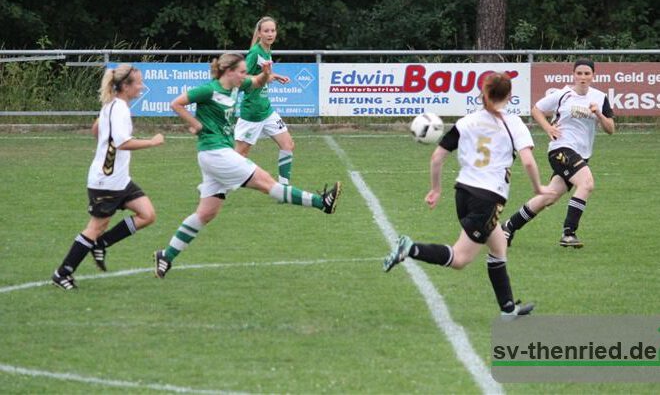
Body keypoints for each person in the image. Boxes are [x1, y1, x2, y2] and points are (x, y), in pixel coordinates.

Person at [153, 53, 341, 278]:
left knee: (206, 213)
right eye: (241, 71)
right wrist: (197, 125)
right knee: (268, 184)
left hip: (215, 154)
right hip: (216, 153)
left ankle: (166, 255)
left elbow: (258, 81)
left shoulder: (236, 87)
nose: (244, 75)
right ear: (228, 71)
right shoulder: (209, 89)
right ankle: (322, 202)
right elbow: (177, 103)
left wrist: (266, 73)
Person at [383, 73, 554, 317]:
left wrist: (436, 189)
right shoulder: (514, 123)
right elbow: (527, 162)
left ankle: (508, 309)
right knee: (461, 259)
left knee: (499, 246)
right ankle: (410, 249)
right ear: (509, 96)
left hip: (462, 193)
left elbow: (437, 157)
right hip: (487, 198)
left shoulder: (467, 121)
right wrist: (538, 188)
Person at [51, 64, 164, 290]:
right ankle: (62, 272)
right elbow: (123, 142)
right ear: (125, 86)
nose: (142, 86)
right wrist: (152, 142)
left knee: (147, 214)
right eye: (138, 82)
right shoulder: (119, 109)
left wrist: (106, 146)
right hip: (106, 181)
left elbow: (96, 130)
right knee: (95, 227)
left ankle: (101, 244)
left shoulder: (112, 105)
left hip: (119, 179)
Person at [501, 59, 615, 248]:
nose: (583, 77)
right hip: (561, 149)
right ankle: (569, 233)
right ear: (573, 75)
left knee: (550, 196)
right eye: (579, 73)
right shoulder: (563, 94)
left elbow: (610, 129)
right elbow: (536, 109)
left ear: (593, 76)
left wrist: (599, 115)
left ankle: (508, 226)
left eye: (587, 73)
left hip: (582, 154)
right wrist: (548, 128)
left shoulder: (600, 98)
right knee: (586, 183)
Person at [235, 16, 294, 185]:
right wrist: (264, 78)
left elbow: (263, 75)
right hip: (252, 112)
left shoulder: (267, 50)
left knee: (288, 144)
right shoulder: (255, 52)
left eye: (273, 30)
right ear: (259, 33)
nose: (270, 34)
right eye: (266, 31)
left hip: (266, 110)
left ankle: (284, 188)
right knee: (238, 157)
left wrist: (274, 76)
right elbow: (242, 79)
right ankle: (212, 186)